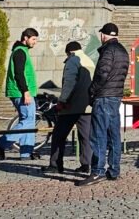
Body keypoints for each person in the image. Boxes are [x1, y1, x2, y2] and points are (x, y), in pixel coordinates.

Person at [77, 23, 129, 186]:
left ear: (103, 35)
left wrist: (92, 91)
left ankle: (97, 171)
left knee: (98, 135)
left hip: (104, 96)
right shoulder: (123, 51)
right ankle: (114, 170)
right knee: (114, 135)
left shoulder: (108, 50)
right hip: (115, 96)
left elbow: (102, 74)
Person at [44, 41, 95, 175]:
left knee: (58, 135)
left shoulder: (73, 60)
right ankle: (86, 164)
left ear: (69, 52)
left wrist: (62, 100)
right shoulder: (89, 60)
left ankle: (55, 164)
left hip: (71, 106)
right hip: (87, 106)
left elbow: (69, 83)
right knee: (86, 136)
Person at [0, 28, 39, 160]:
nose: (35, 42)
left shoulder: (21, 51)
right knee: (29, 121)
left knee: (28, 120)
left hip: (22, 92)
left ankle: (26, 152)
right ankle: (1, 143)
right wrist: (25, 91)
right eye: (33, 39)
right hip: (21, 92)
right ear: (26, 38)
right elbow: (19, 74)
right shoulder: (20, 52)